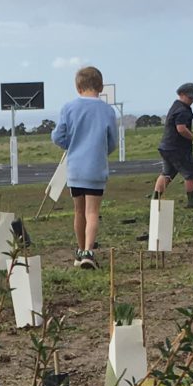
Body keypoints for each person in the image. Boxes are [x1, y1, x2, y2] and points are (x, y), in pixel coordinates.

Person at [51, 67, 121, 269]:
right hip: (96, 168)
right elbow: (113, 141)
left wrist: (71, 146)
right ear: (100, 86)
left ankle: (80, 250)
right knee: (93, 212)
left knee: (78, 211)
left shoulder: (69, 107)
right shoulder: (107, 110)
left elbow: (58, 136)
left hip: (75, 168)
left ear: (77, 87)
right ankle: (89, 252)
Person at [154, 83, 193, 205]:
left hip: (166, 147)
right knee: (190, 173)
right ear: (181, 94)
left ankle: (156, 200)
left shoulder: (175, 106)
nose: (192, 100)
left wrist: (192, 134)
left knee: (167, 173)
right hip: (177, 148)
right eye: (190, 97)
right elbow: (181, 128)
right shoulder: (182, 110)